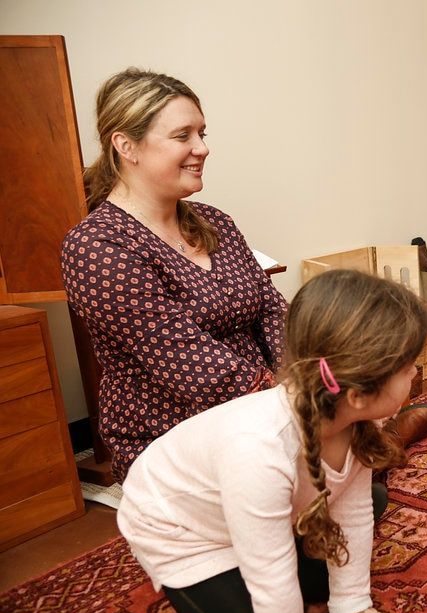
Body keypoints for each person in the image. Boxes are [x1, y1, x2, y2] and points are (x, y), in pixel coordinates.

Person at [117, 269, 427, 613]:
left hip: (257, 503)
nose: (415, 373)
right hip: (183, 530)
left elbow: (352, 513)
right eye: (409, 367)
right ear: (356, 395)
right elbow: (269, 574)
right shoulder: (259, 451)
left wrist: (352, 603)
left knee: (370, 502)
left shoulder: (353, 423)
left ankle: (281, 544)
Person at [60, 68, 287, 483]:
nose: (202, 148)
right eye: (183, 136)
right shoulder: (96, 248)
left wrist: (305, 374)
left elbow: (273, 312)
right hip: (175, 435)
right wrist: (299, 405)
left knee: (341, 474)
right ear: (126, 145)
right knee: (331, 488)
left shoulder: (214, 221)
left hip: (264, 411)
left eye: (202, 133)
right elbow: (188, 362)